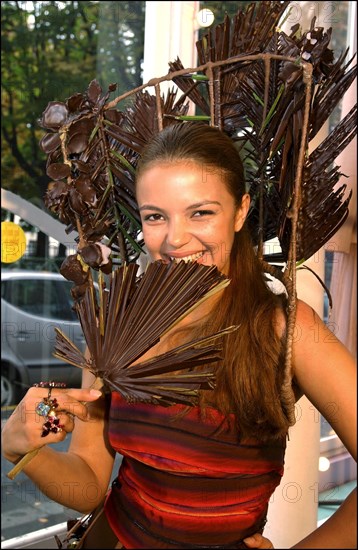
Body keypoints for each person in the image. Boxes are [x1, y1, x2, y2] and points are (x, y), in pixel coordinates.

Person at [2, 123, 356, 549]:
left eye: (200, 212)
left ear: (241, 211)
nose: (175, 239)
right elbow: (90, 485)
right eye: (155, 216)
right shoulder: (116, 322)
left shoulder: (283, 329)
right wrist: (22, 448)